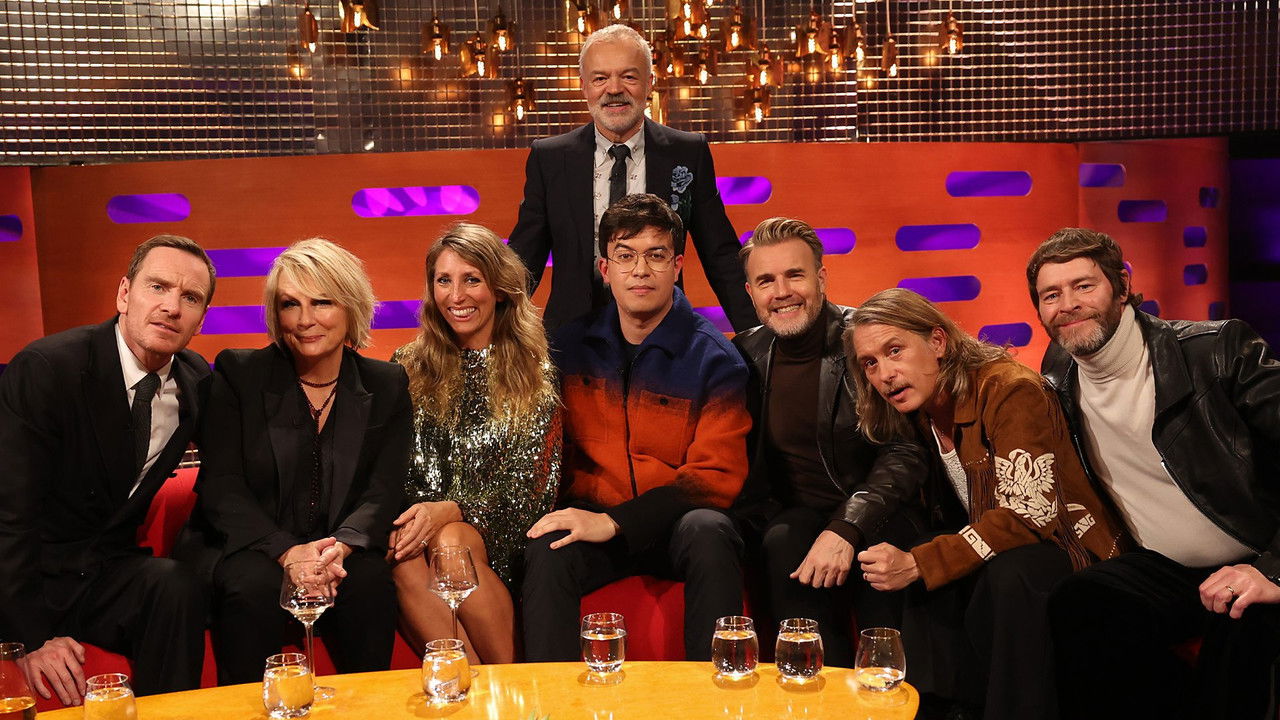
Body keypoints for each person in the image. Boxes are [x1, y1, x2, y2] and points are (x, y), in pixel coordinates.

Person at [1027, 228, 1280, 720]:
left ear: (1123, 286)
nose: (1068, 305)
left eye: (1084, 286)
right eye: (1050, 295)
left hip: (1258, 552)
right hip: (1164, 568)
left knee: (1241, 632)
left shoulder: (1218, 349)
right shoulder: (1059, 366)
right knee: (1078, 603)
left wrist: (1272, 569)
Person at [846, 288, 1126, 720]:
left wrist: (921, 562)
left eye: (894, 350)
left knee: (989, 570)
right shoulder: (920, 409)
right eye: (870, 363)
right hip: (1004, 541)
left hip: (1069, 545)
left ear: (937, 342)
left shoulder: (1009, 390)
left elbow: (1028, 514)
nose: (885, 374)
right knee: (922, 551)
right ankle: (937, 709)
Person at [522, 193, 750, 662]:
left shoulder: (716, 359)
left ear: (677, 266)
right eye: (625, 256)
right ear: (605, 270)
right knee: (547, 544)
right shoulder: (568, 348)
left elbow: (715, 479)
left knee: (710, 530)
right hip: (595, 515)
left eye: (655, 255)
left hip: (676, 525)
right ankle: (551, 696)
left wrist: (616, 522)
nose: (640, 271)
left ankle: (715, 691)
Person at [0, 235, 214, 705]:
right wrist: (29, 638)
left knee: (177, 586)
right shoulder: (48, 368)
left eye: (190, 297)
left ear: (200, 319)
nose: (171, 307)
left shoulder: (196, 382)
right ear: (124, 294)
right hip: (32, 574)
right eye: (157, 287)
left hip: (104, 572)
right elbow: (10, 515)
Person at [187, 238, 410, 684]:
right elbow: (222, 485)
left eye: (322, 302)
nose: (305, 320)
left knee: (370, 584)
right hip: (254, 545)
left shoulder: (386, 383)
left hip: (339, 549)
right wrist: (288, 552)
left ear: (350, 306)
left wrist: (340, 547)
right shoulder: (238, 374)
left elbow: (384, 489)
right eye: (290, 304)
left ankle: (367, 709)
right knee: (252, 587)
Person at [731, 217, 926, 666]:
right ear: (750, 292)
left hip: (881, 511)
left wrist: (846, 528)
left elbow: (904, 450)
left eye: (794, 275)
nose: (782, 292)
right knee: (783, 540)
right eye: (766, 281)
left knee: (874, 557)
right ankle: (815, 687)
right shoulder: (744, 354)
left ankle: (890, 687)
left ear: (821, 278)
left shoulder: (865, 341)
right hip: (797, 519)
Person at [508, 23, 755, 332]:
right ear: (584, 86)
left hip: (663, 332)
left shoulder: (687, 152)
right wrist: (491, 334)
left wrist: (758, 341)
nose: (613, 89)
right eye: (600, 78)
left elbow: (721, 257)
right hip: (573, 336)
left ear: (649, 83)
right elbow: (524, 260)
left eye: (628, 77)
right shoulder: (550, 158)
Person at [389, 223, 561, 664]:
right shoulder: (405, 367)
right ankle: (475, 684)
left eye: (471, 280)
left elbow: (530, 489)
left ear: (499, 289)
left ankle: (506, 678)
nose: (456, 296)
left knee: (452, 542)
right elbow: (393, 466)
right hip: (424, 523)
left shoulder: (535, 371)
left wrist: (452, 510)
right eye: (443, 280)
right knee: (399, 552)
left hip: (503, 531)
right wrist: (421, 515)